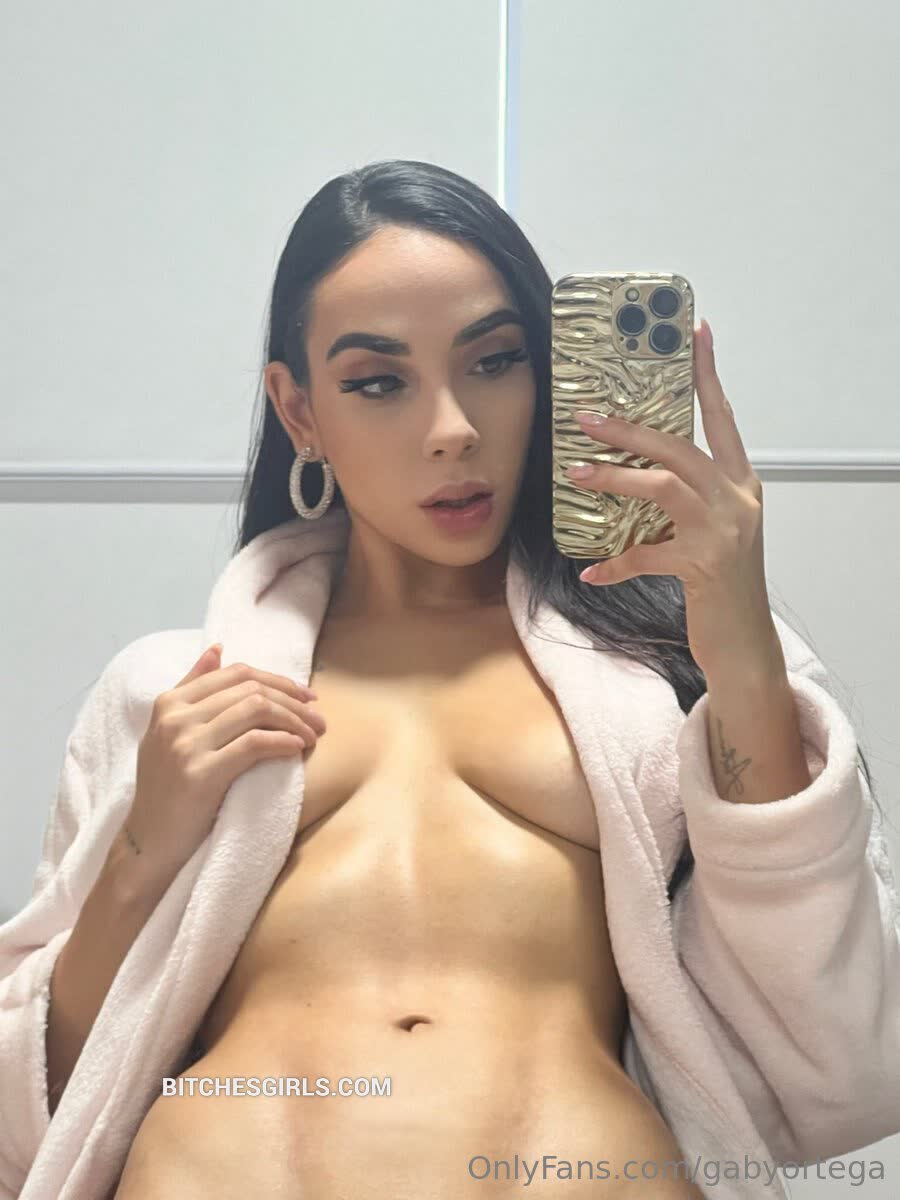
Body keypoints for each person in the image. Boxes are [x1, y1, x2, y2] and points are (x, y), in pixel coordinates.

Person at [3, 160, 898, 1200]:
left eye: (495, 361)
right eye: (378, 382)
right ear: (298, 409)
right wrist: (142, 850)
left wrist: (739, 643)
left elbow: (834, 1051)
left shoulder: (663, 672)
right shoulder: (172, 690)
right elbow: (30, 1118)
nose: (453, 428)